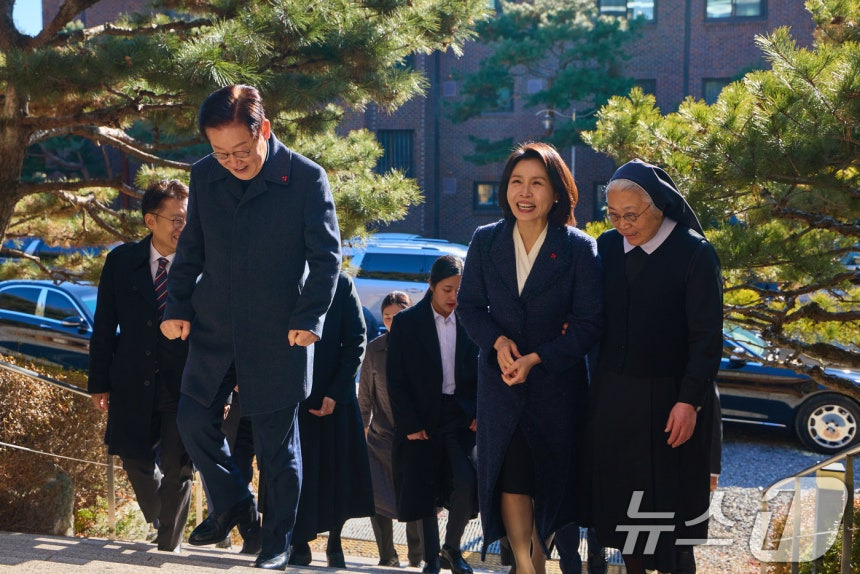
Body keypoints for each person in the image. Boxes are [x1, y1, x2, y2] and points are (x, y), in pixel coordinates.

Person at [160, 84, 341, 571]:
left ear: (264, 129)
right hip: (215, 324)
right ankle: (235, 501)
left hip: (280, 331)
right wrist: (176, 304)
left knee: (276, 446)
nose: (232, 161)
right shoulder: (204, 176)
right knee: (192, 419)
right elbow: (191, 247)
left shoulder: (305, 178)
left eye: (241, 150)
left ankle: (277, 542)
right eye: (220, 153)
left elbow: (326, 259)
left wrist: (309, 318)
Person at [456, 142, 603, 574]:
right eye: (517, 182)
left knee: (551, 483)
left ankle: (541, 558)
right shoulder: (486, 241)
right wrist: (499, 344)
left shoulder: (579, 247)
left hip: (556, 387)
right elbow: (469, 308)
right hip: (501, 386)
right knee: (512, 477)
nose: (525, 192)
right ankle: (525, 565)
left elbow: (589, 324)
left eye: (537, 183)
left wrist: (538, 357)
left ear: (557, 193)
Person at [589, 159, 723, 574]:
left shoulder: (694, 252)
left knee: (672, 523)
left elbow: (706, 339)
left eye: (631, 215)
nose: (622, 224)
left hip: (672, 398)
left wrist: (689, 402)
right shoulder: (607, 247)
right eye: (613, 215)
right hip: (615, 401)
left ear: (659, 206)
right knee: (626, 518)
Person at [88, 179, 193, 553]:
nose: (184, 226)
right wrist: (98, 382)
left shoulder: (203, 264)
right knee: (135, 459)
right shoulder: (121, 261)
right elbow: (103, 325)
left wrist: (224, 385)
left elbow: (221, 331)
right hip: (132, 378)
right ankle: (163, 520)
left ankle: (168, 548)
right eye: (176, 219)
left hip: (185, 381)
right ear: (151, 220)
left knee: (178, 465)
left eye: (188, 218)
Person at [386, 255, 479, 574]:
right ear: (432, 286)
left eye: (459, 290)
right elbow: (395, 379)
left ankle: (451, 549)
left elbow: (483, 370)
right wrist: (409, 423)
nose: (454, 297)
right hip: (422, 416)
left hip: (459, 415)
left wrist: (478, 410)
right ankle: (429, 559)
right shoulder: (407, 323)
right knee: (424, 487)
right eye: (447, 289)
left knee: (466, 482)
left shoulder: (471, 320)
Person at [288, 272, 374, 567]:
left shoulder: (341, 282)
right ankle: (298, 540)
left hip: (334, 393)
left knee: (337, 471)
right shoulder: (283, 273)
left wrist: (336, 392)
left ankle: (335, 541)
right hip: (291, 394)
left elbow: (355, 341)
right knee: (295, 470)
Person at [358, 290, 425, 568]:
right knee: (377, 497)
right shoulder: (375, 349)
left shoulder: (423, 346)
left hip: (415, 437)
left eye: (398, 317)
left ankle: (417, 556)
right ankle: (387, 555)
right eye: (387, 317)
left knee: (416, 499)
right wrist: (363, 426)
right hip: (381, 436)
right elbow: (365, 396)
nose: (392, 322)